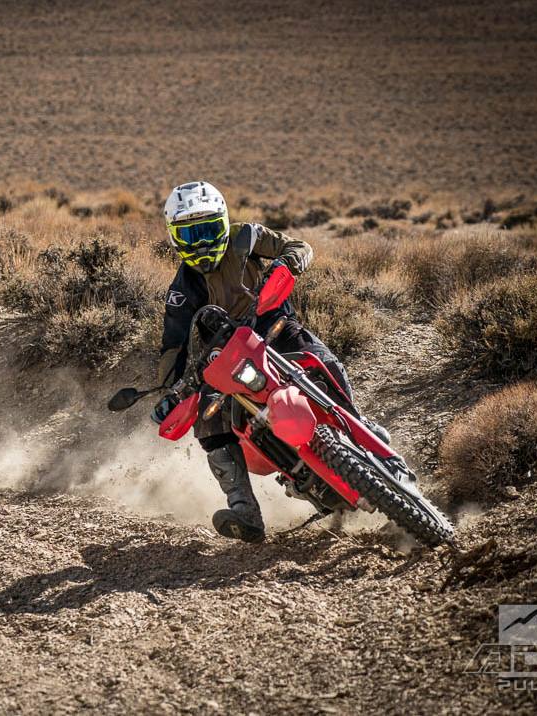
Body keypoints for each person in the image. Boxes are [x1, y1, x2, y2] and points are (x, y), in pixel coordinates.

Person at [150, 180, 387, 544]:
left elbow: (298, 246)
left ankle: (357, 423)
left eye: (208, 230)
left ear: (224, 223)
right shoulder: (182, 291)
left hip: (273, 327)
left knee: (319, 357)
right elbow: (173, 347)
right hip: (224, 356)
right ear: (174, 237)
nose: (200, 243)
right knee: (208, 421)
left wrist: (287, 262)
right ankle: (244, 508)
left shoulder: (247, 237)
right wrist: (170, 390)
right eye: (190, 234)